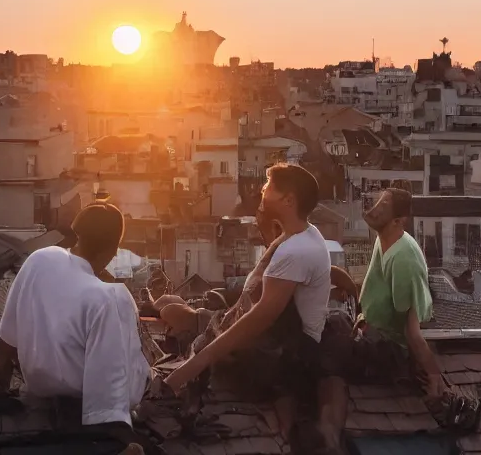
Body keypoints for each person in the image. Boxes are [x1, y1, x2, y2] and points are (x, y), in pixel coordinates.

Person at [157, 163, 335, 405]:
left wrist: (195, 365)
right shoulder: (299, 236)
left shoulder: (296, 250)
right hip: (281, 343)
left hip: (288, 358)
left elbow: (260, 317)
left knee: (192, 356)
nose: (262, 190)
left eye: (269, 186)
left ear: (288, 200)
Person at [0, 203, 150, 427]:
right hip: (80, 412)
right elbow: (108, 389)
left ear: (79, 234)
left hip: (36, 395)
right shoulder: (108, 297)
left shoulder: (39, 259)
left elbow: (8, 337)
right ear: (112, 251)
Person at [353, 188, 446, 399]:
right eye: (378, 203)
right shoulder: (384, 238)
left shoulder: (404, 258)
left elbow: (412, 332)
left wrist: (433, 374)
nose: (375, 209)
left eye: (383, 207)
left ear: (398, 221)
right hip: (371, 331)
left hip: (389, 349)